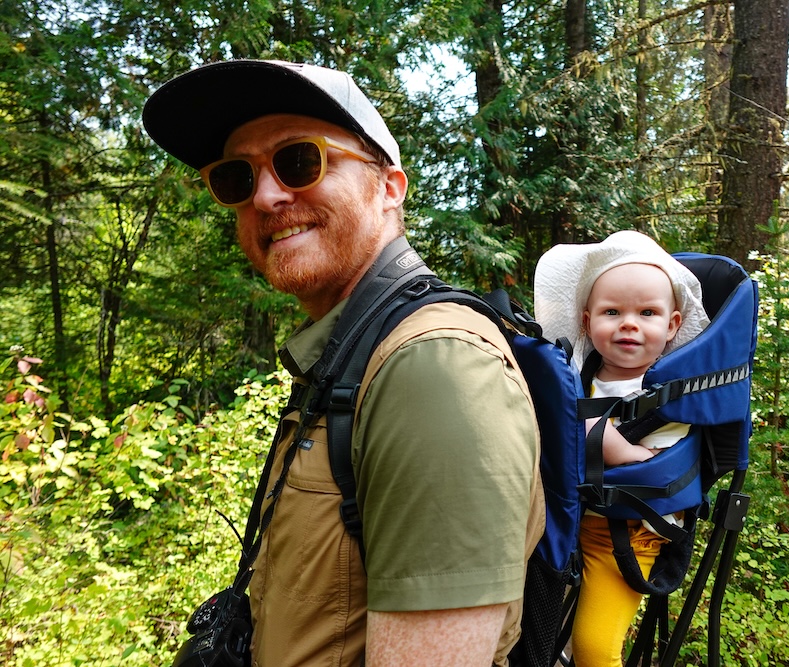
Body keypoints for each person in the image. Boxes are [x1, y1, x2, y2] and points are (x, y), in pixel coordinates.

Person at [142, 60, 545, 667]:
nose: (267, 195)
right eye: (235, 177)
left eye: (299, 160)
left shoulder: (434, 368)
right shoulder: (350, 354)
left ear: (388, 188)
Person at [533, 230, 710, 667]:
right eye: (613, 311)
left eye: (647, 312)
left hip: (628, 538)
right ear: (587, 321)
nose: (629, 323)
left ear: (671, 325)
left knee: (595, 648)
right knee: (540, 637)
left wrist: (588, 423)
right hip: (561, 525)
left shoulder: (677, 388)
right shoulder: (577, 374)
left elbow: (648, 464)